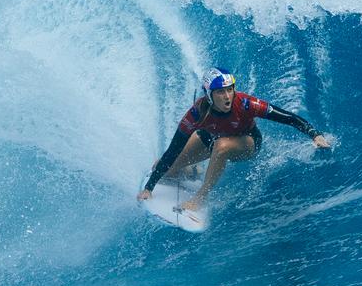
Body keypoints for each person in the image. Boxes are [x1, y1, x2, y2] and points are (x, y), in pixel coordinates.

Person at [137, 67, 331, 212]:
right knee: (163, 169)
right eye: (221, 92)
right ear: (209, 95)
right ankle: (191, 170)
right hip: (212, 138)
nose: (227, 96)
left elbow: (287, 117)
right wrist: (149, 188)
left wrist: (314, 134)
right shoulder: (197, 113)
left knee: (222, 146)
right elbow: (173, 149)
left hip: (246, 142)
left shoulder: (246, 104)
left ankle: (200, 198)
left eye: (230, 89)